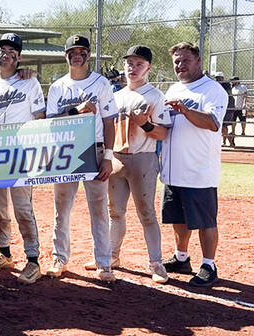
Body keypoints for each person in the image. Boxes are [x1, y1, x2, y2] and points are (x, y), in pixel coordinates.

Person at [0, 33, 45, 284]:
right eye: (2, 49)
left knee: (24, 209)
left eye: (12, 51)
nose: (6, 53)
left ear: (19, 57)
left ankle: (33, 260)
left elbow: (40, 118)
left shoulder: (30, 83)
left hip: (21, 154)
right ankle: (4, 253)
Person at [44, 35, 117, 282]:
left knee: (99, 209)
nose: (77, 55)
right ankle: (59, 257)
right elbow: (51, 123)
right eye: (72, 51)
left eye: (82, 51)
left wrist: (108, 155)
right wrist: (77, 111)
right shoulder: (57, 86)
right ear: (66, 56)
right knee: (61, 209)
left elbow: (109, 121)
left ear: (89, 54)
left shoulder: (101, 83)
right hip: (65, 151)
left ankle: (104, 263)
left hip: (94, 149)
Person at [97, 45, 171, 283]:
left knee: (146, 213)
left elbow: (162, 134)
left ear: (148, 68)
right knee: (115, 213)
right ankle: (111, 257)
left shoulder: (155, 96)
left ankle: (156, 263)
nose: (133, 68)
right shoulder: (115, 96)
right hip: (117, 158)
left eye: (139, 64)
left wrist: (145, 125)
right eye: (129, 63)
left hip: (143, 159)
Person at [161, 42, 228, 287]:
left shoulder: (212, 90)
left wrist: (186, 110)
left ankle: (209, 264)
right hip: (172, 169)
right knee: (178, 219)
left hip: (199, 170)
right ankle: (182, 258)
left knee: (205, 221)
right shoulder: (172, 89)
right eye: (177, 61)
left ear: (198, 61)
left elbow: (212, 122)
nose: (180, 65)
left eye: (185, 60)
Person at [215, 72, 236, 146]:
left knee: (223, 125)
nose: (217, 79)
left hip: (228, 107)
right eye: (216, 78)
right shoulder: (217, 85)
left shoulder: (226, 85)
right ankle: (225, 141)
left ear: (222, 78)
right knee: (223, 125)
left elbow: (226, 93)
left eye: (219, 78)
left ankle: (229, 139)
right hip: (223, 107)